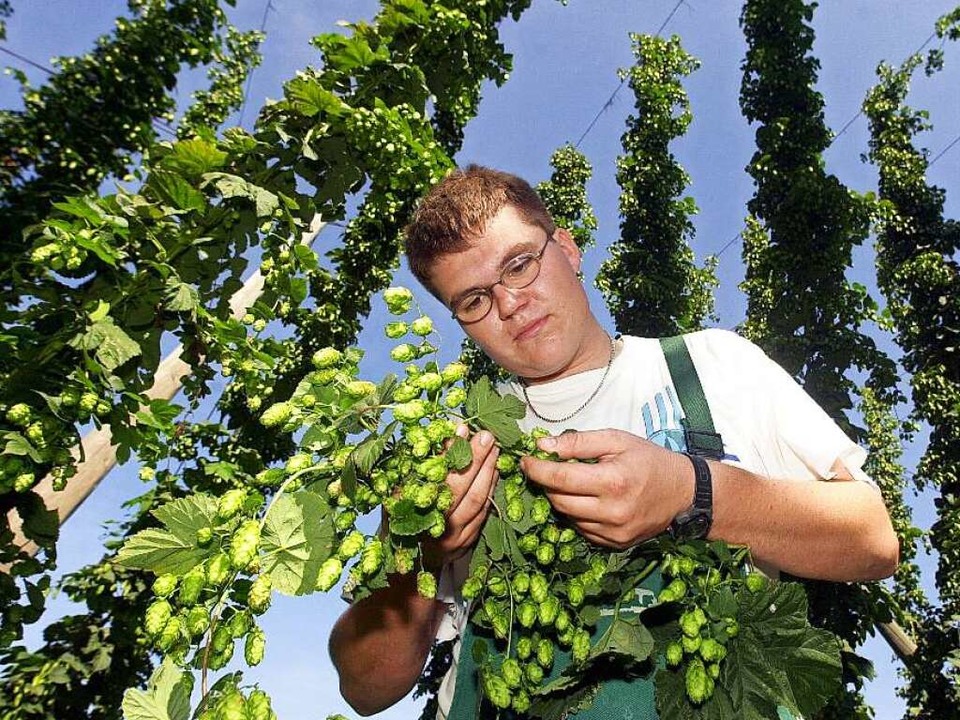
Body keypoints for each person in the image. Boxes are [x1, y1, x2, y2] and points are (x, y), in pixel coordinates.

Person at [328, 165, 899, 718]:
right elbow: (364, 688)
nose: (508, 303)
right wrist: (423, 560)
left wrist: (694, 494)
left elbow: (873, 539)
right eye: (474, 300)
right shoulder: (452, 455)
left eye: (520, 265)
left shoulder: (711, 365)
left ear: (569, 250)